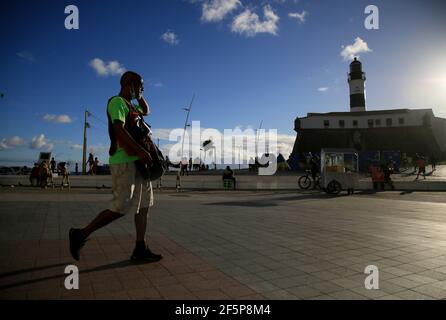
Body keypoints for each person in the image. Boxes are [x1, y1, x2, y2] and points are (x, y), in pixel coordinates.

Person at [69, 71, 162, 262]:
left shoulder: (132, 105)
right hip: (125, 161)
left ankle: (140, 248)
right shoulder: (117, 103)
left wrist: (141, 96)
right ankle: (80, 234)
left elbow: (147, 111)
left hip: (139, 163)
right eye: (140, 85)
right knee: (120, 207)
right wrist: (139, 151)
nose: (143, 89)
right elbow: (119, 129)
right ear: (129, 84)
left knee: (144, 206)